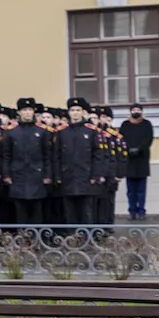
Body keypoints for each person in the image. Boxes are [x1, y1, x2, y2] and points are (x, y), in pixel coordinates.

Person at [55, 97, 106, 227]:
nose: (75, 113)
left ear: (83, 112)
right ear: (69, 112)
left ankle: (87, 241)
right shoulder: (62, 132)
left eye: (78, 110)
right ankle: (73, 241)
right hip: (68, 178)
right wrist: (58, 175)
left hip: (86, 178)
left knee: (87, 213)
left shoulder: (92, 131)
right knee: (70, 213)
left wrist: (95, 175)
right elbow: (57, 156)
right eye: (72, 110)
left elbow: (98, 155)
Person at [0, 98, 52, 226]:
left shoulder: (42, 132)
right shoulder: (11, 132)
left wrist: (48, 175)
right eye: (24, 110)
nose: (27, 113)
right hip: (18, 176)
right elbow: (6, 156)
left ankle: (36, 241)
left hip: (37, 176)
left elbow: (47, 156)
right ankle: (23, 240)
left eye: (30, 110)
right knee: (20, 212)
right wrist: (6, 175)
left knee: (37, 212)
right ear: (19, 112)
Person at [121, 103, 154, 220]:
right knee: (130, 190)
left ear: (141, 112)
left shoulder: (147, 124)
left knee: (141, 189)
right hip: (129, 160)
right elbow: (121, 139)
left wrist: (139, 149)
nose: (136, 112)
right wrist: (129, 149)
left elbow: (149, 139)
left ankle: (141, 211)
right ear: (130, 112)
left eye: (138, 110)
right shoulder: (125, 125)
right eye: (134, 110)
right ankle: (132, 211)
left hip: (142, 160)